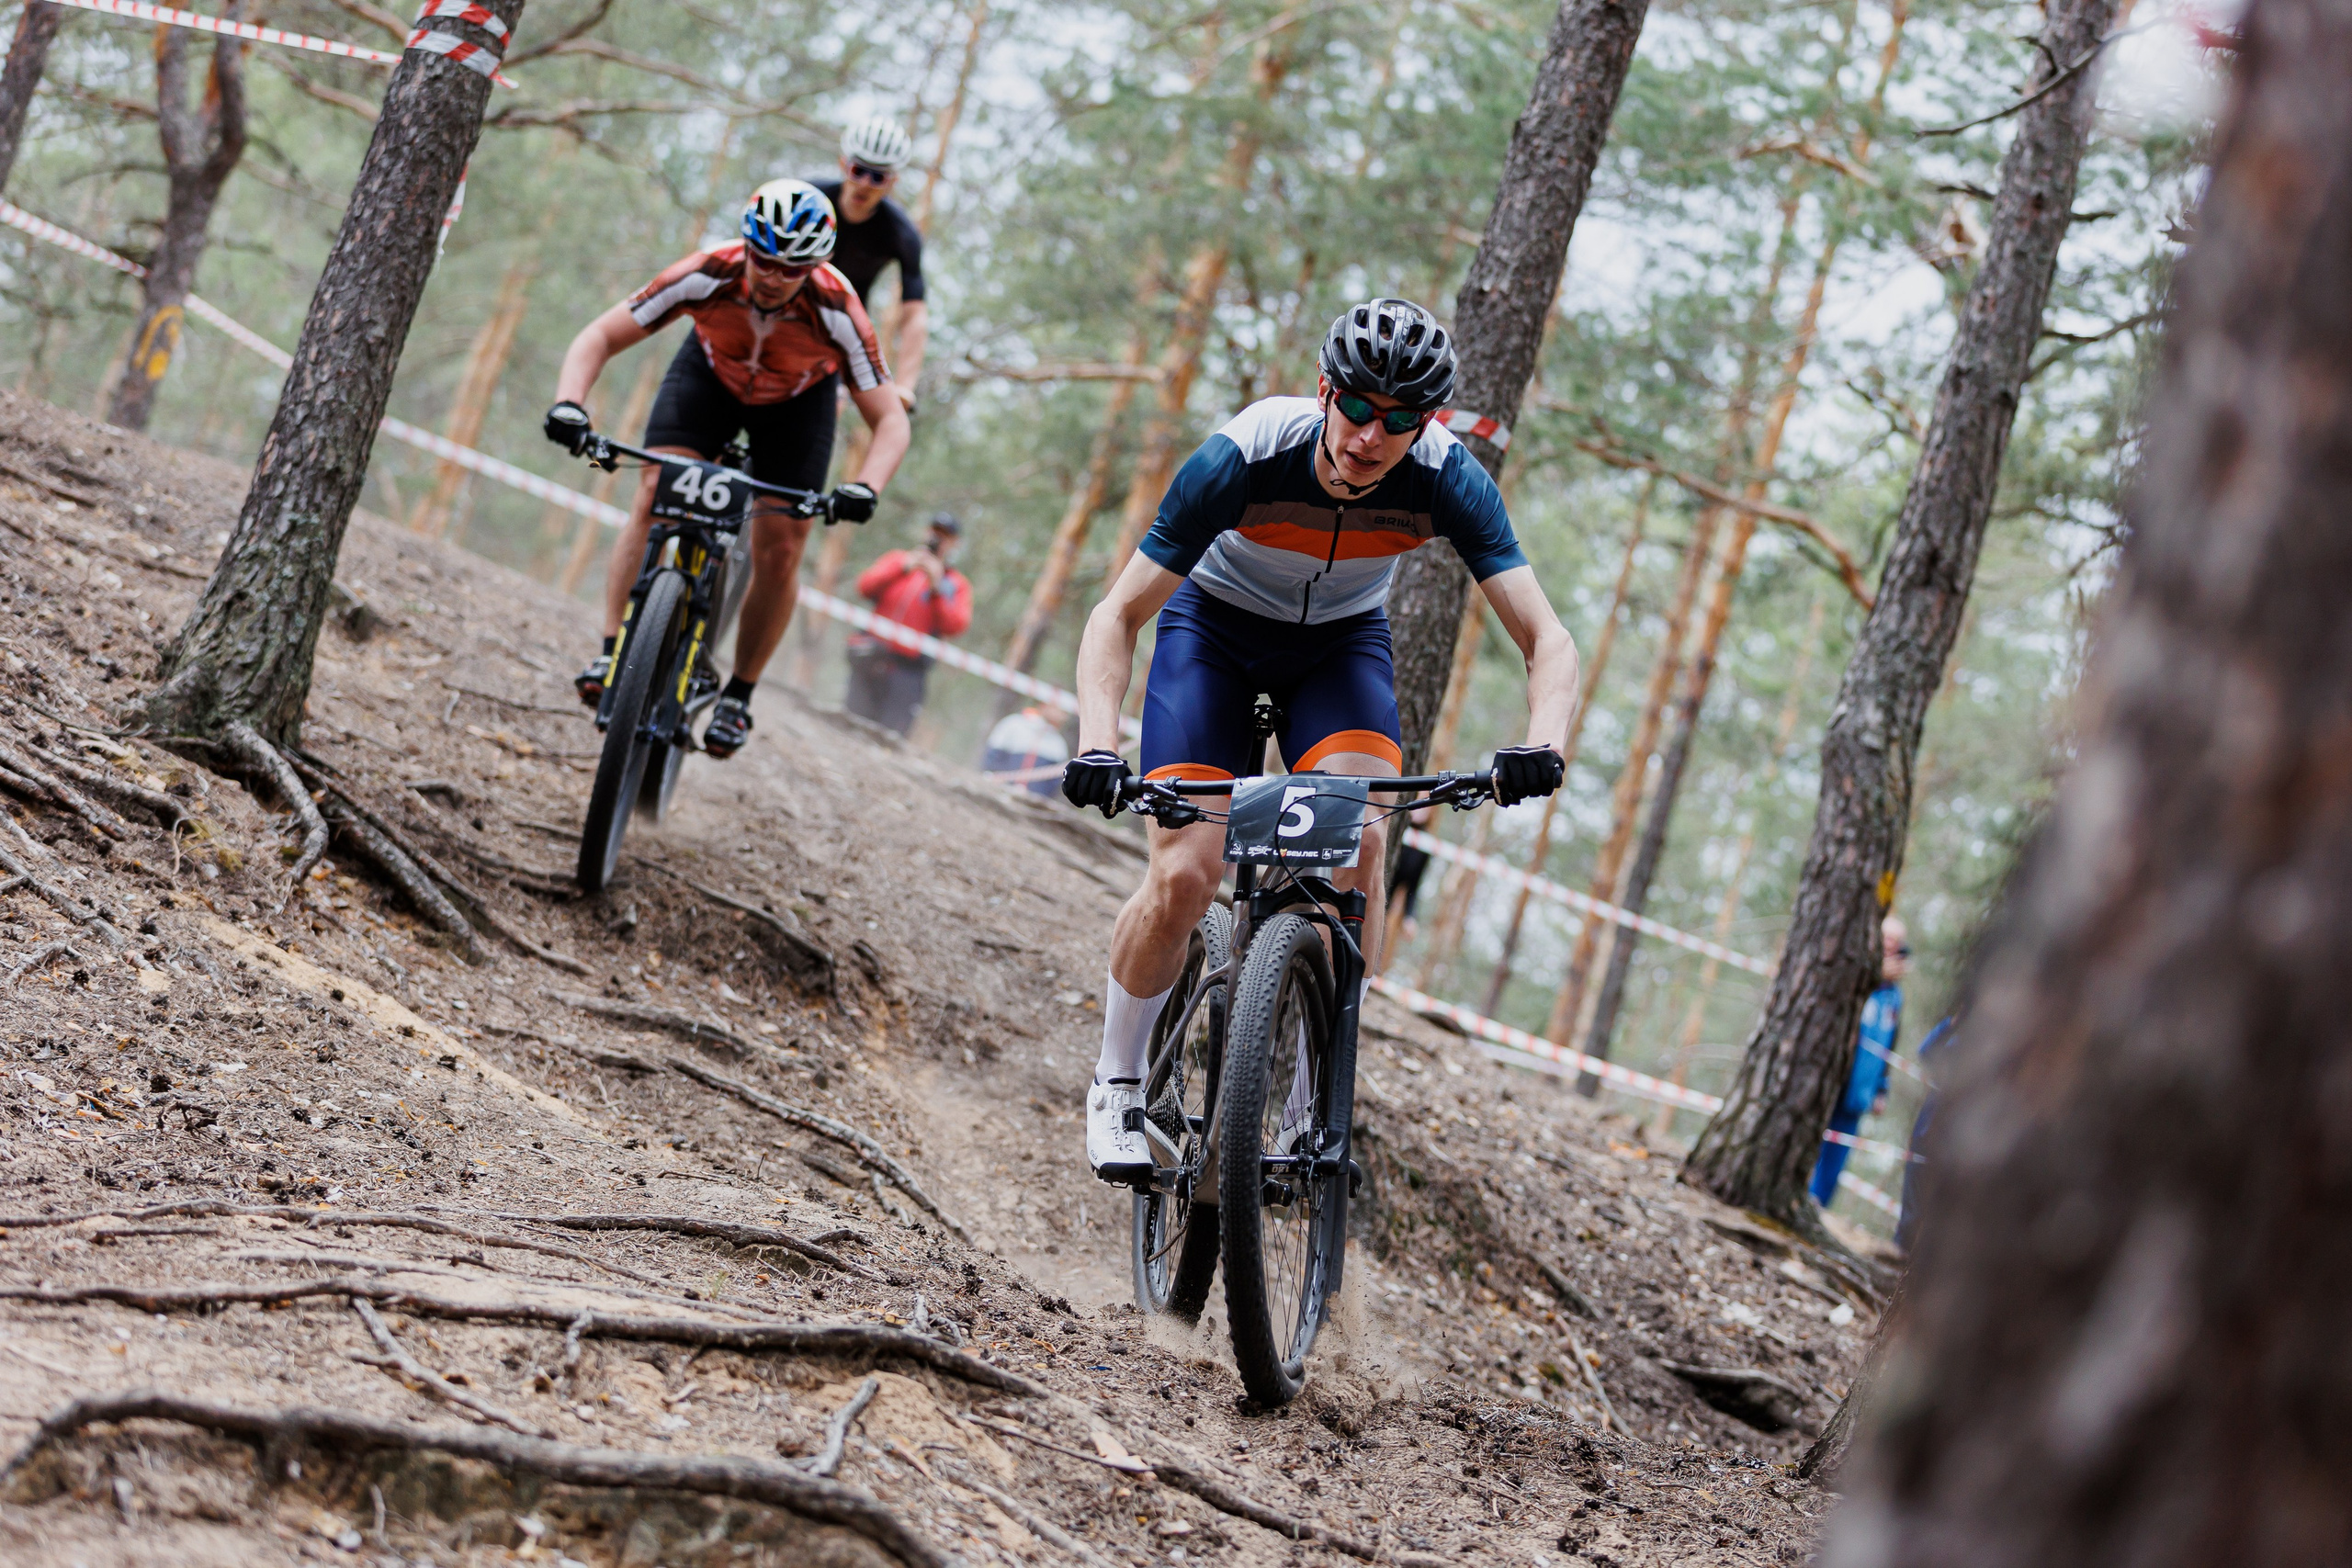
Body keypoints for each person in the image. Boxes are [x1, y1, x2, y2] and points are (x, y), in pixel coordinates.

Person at [1059, 298, 1580, 1182]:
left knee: (1360, 843)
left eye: (1401, 419)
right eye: (1358, 407)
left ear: (1428, 423)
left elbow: (1548, 638)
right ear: (1323, 391)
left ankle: (1315, 1091)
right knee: (1186, 871)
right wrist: (1098, 743)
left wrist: (1545, 741)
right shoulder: (1245, 453)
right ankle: (1117, 1079)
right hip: (1212, 636)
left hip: (1338, 650)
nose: (1373, 435)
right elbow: (1118, 613)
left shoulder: (1448, 478)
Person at [546, 180, 910, 760]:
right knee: (651, 492)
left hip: (797, 405)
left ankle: (738, 696)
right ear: (746, 245)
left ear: (816, 266)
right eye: (762, 258)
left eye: (791, 268)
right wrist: (570, 402)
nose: (772, 275)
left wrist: (866, 486)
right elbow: (600, 334)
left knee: (782, 546)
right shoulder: (706, 271)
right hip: (709, 380)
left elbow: (890, 419)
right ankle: (613, 649)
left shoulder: (837, 307)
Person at [812, 118, 927, 413]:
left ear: (892, 182)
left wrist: (905, 385)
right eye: (858, 170)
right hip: (786, 303)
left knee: (831, 406)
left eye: (878, 177)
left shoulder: (901, 234)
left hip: (840, 328)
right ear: (843, 164)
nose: (865, 183)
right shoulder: (808, 198)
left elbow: (914, 313)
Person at [1809, 915, 1910, 1208]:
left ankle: (1818, 1205)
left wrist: (1882, 1089)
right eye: (1886, 939)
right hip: (1830, 1077)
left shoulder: (1895, 997)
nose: (1890, 947)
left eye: (1896, 942)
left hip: (1860, 1090)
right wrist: (1875, 977)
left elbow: (1889, 1044)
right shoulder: (1855, 975)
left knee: (1837, 1153)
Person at [844, 513, 971, 735]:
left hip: (908, 672)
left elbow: (955, 625)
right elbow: (864, 586)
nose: (937, 539)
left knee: (890, 737)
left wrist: (937, 588)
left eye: (945, 536)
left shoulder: (955, 583)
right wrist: (903, 567)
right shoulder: (897, 560)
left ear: (954, 544)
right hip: (870, 656)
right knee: (849, 723)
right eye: (935, 532)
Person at [983, 704, 1072, 797]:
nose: (1064, 717)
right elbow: (992, 756)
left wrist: (1039, 797)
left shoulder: (1058, 744)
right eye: (1062, 711)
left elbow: (1054, 781)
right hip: (997, 792)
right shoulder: (1013, 724)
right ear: (1045, 705)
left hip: (1031, 802)